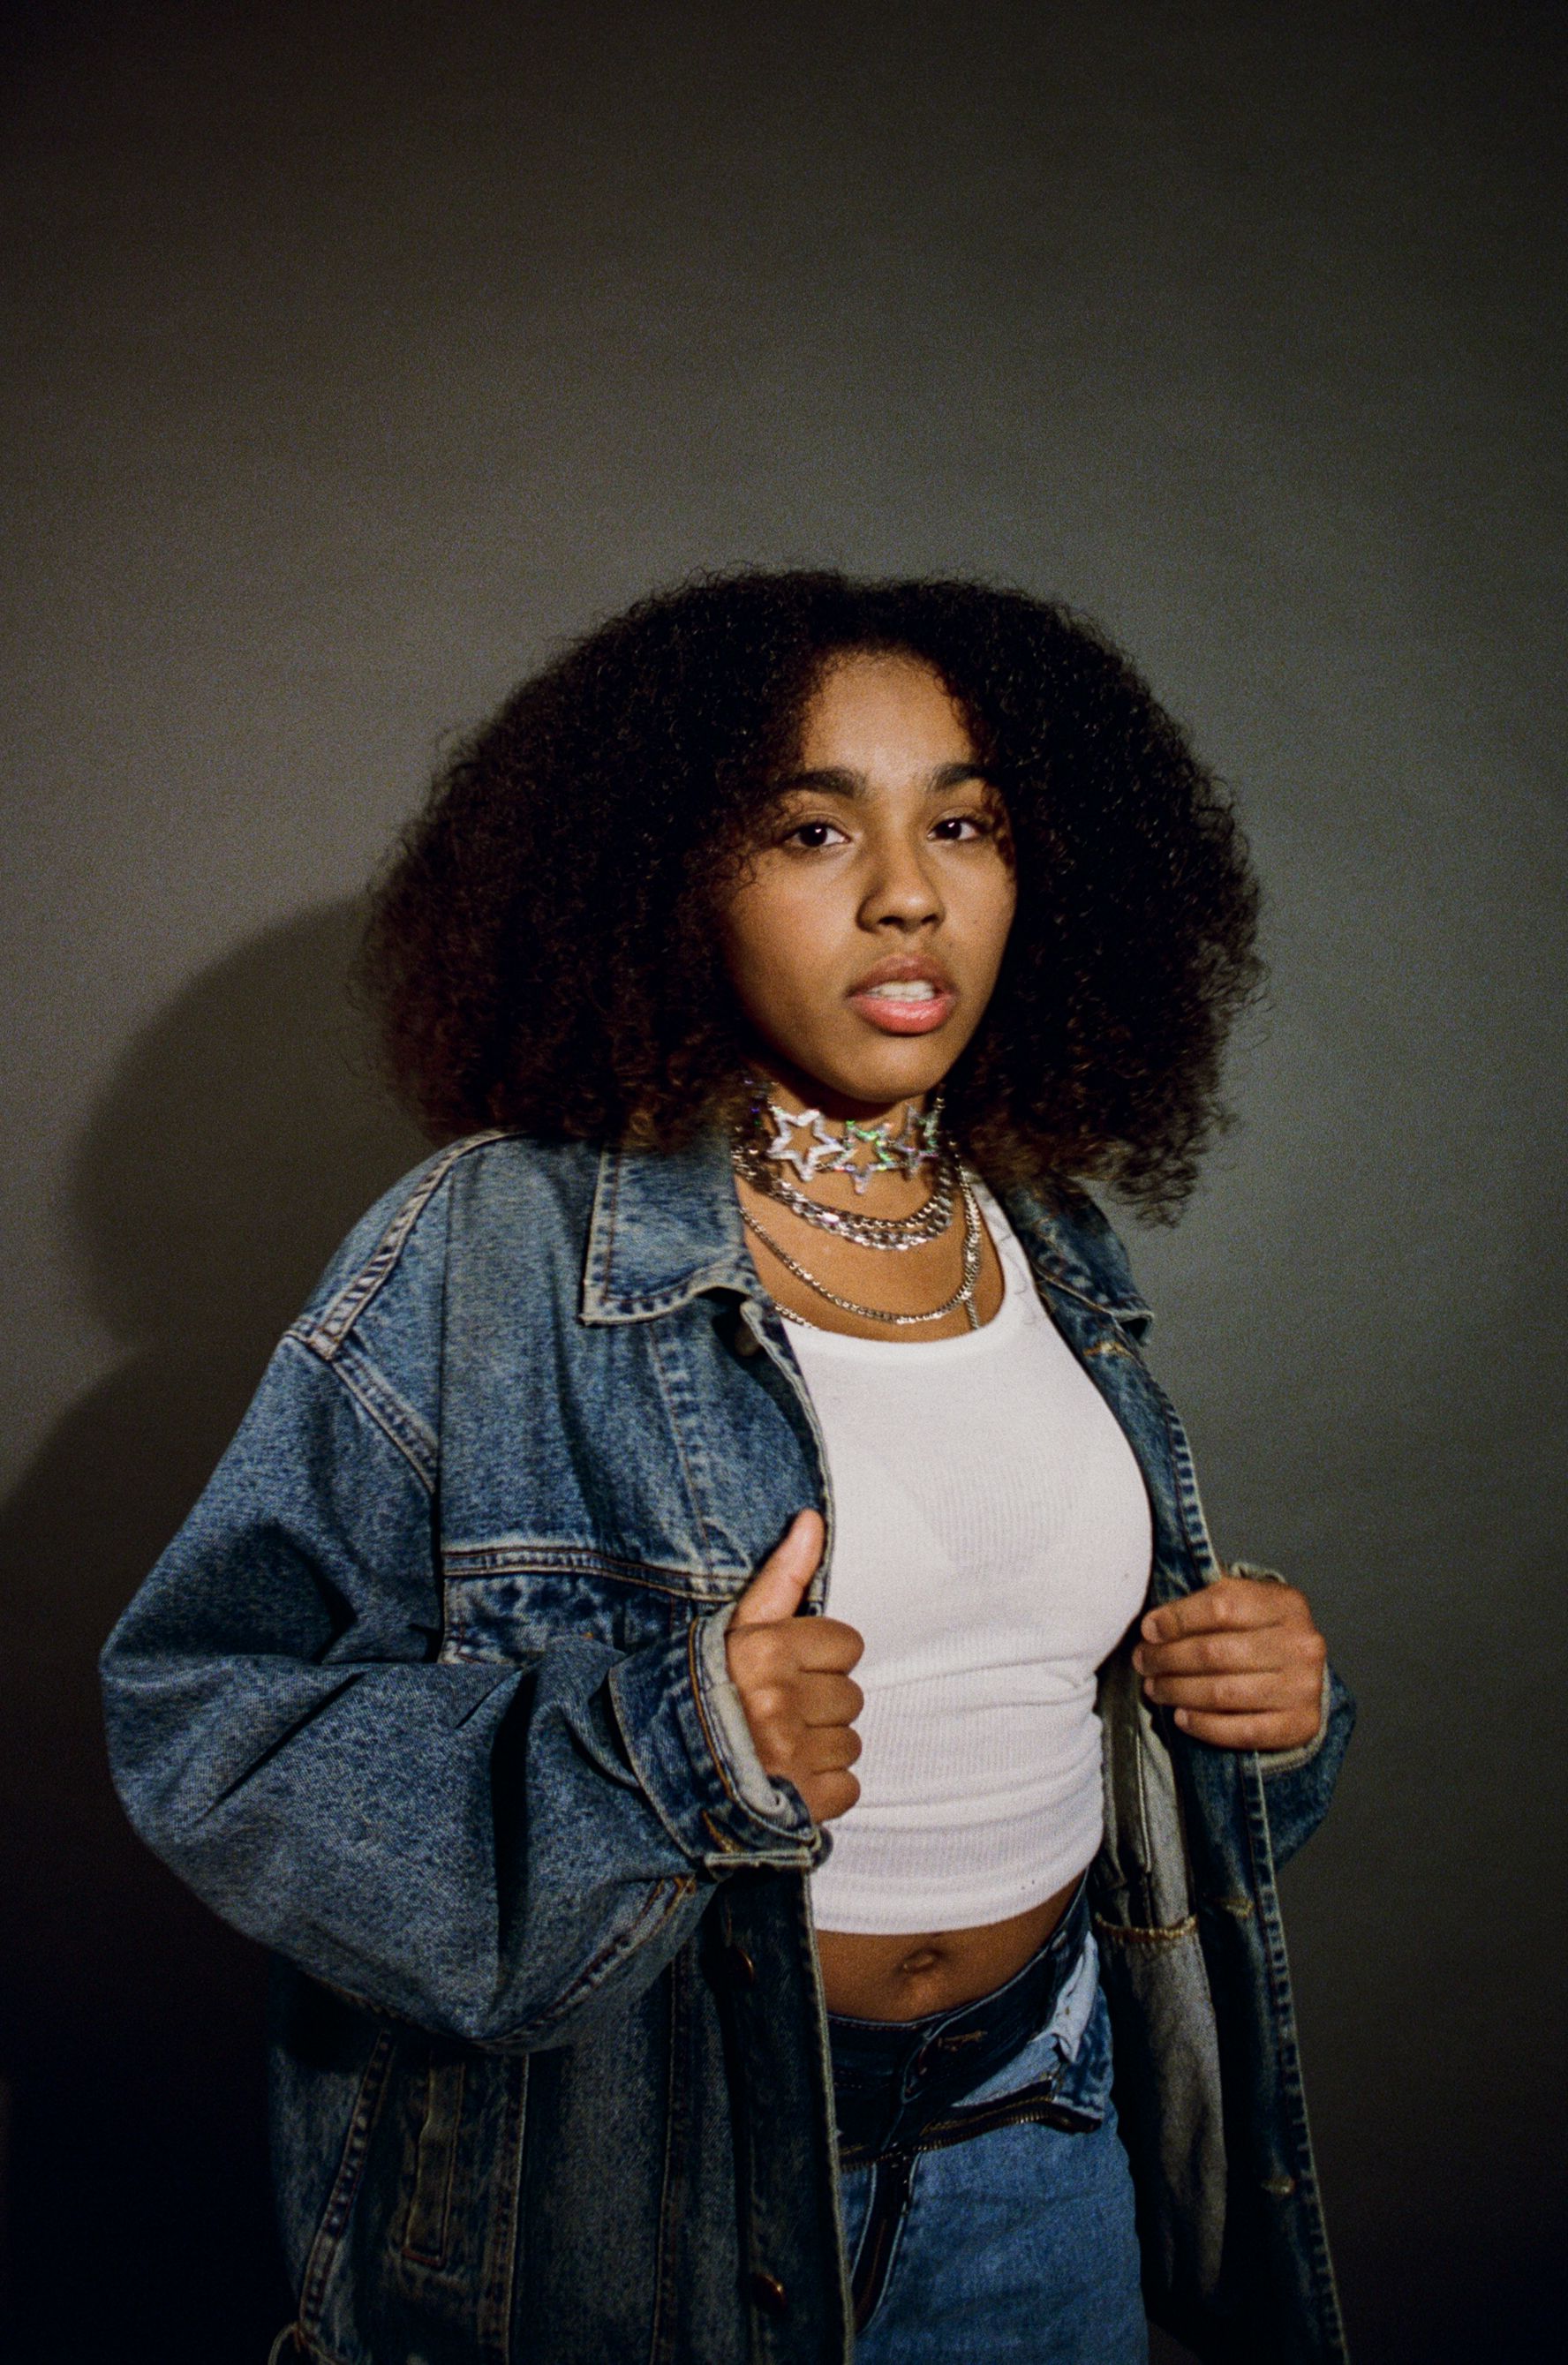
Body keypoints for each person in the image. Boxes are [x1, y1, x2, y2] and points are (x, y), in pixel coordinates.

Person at [100, 570, 1353, 2365]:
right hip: (648, 2195)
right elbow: (206, 1720)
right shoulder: (494, 1243)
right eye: (813, 827)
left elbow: (1040, 1715)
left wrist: (1255, 1718)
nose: (907, 889)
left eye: (965, 822)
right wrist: (666, 1747)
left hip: (1042, 2139)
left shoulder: (1051, 1245)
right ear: (669, 877)